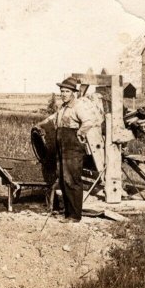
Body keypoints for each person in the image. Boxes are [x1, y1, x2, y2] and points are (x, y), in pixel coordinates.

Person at [42, 77, 100, 222]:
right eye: (62, 91)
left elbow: (89, 121)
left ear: (73, 92)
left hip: (72, 147)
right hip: (62, 147)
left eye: (67, 91)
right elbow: (56, 120)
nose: (64, 94)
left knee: (72, 179)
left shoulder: (78, 106)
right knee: (63, 179)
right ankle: (68, 214)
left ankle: (75, 215)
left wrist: (80, 133)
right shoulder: (62, 107)